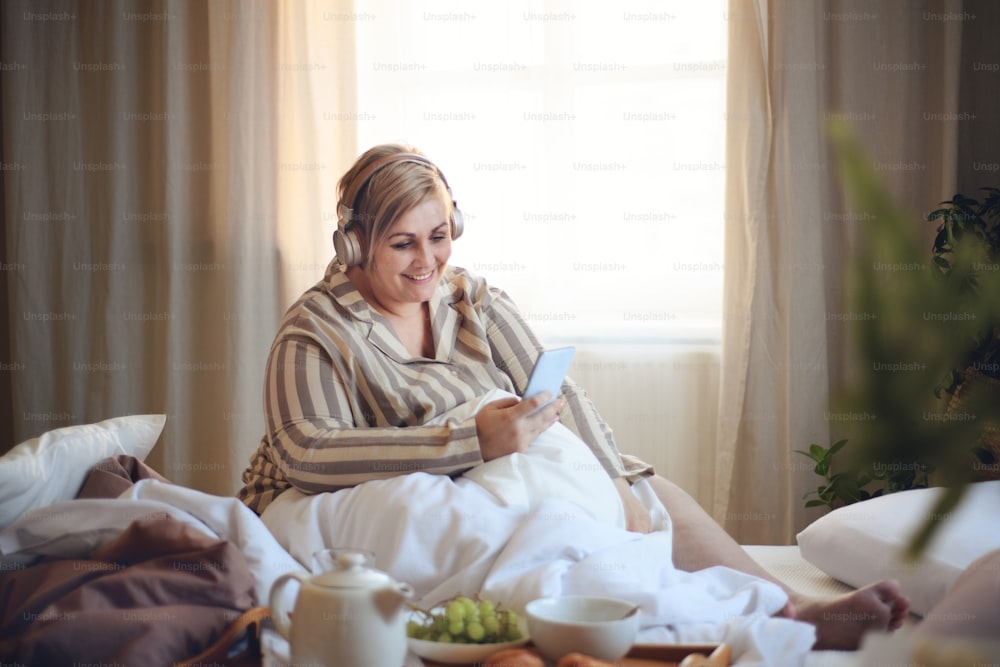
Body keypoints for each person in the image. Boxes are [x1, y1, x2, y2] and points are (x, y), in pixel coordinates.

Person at [237, 143, 909, 651]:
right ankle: (696, 628)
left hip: (475, 468)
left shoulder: (471, 298)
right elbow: (308, 452)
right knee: (545, 532)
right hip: (358, 492)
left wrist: (613, 478)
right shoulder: (317, 327)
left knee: (650, 491)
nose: (427, 261)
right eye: (402, 243)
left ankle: (793, 605)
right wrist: (473, 439)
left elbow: (555, 393)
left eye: (439, 236)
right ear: (355, 243)